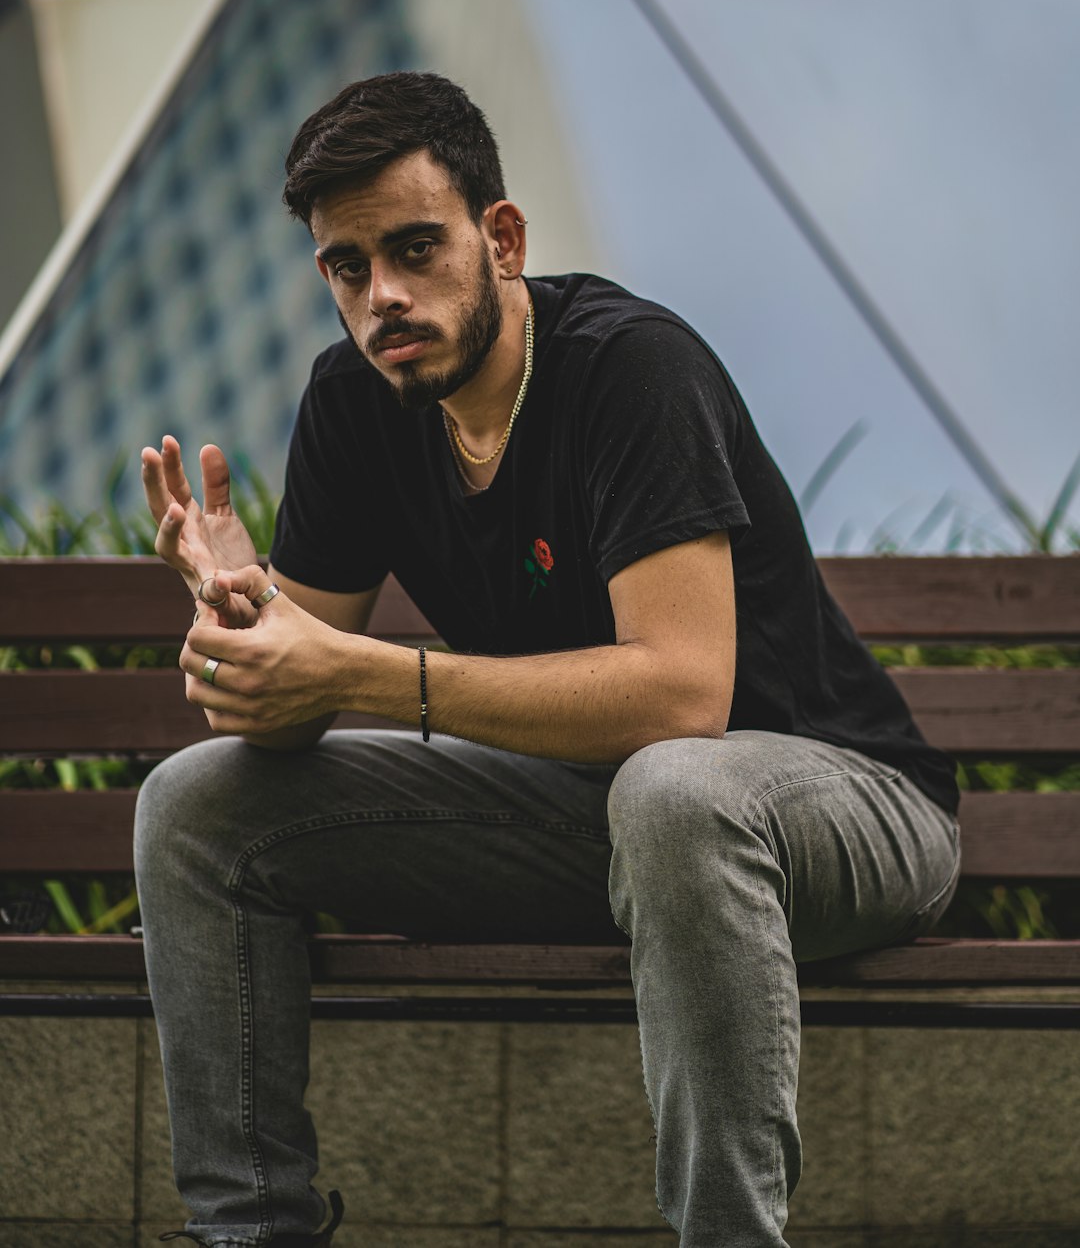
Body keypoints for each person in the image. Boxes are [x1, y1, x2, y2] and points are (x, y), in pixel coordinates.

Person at [137, 71, 960, 1248]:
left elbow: (682, 695)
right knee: (197, 803)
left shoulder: (629, 369)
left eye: (416, 248)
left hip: (841, 808)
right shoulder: (357, 404)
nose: (384, 297)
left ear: (503, 236)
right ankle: (247, 1234)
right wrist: (240, 627)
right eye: (348, 266)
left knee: (675, 789)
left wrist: (373, 677)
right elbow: (282, 711)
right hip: (604, 823)